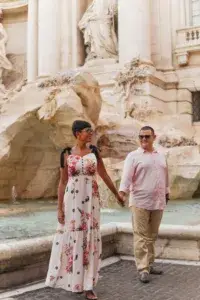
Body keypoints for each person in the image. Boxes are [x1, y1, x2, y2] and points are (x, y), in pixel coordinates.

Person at [46, 120, 123, 300]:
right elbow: (63, 182)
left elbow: (103, 175)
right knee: (73, 239)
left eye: (91, 131)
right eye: (88, 131)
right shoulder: (66, 153)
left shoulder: (94, 152)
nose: (91, 134)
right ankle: (75, 281)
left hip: (91, 203)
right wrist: (59, 208)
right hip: (72, 202)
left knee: (89, 240)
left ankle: (89, 285)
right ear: (77, 133)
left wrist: (117, 195)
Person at [119, 126, 169, 283]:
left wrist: (167, 192)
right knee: (140, 235)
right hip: (140, 201)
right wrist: (122, 192)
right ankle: (143, 268)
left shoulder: (161, 156)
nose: (143, 140)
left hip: (158, 201)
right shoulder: (133, 156)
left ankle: (150, 263)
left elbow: (165, 175)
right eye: (141, 137)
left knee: (152, 235)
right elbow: (126, 177)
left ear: (154, 137)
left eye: (147, 137)